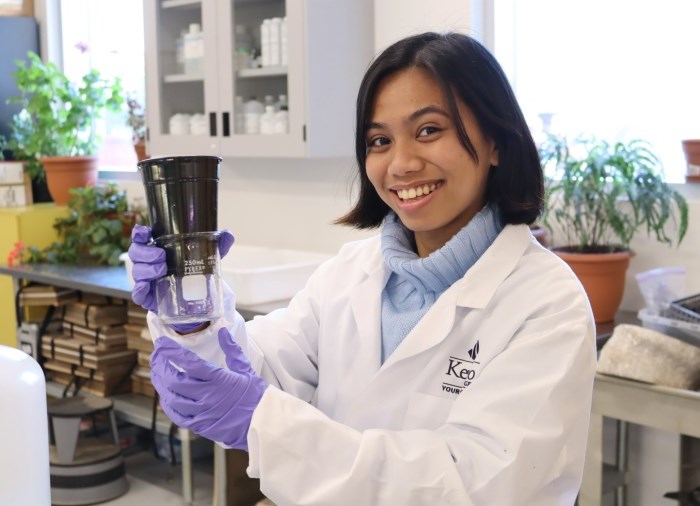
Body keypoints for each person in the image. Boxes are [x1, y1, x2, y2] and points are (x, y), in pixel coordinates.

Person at [129, 32, 596, 505]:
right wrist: (192, 311)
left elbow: (479, 487)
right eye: (379, 140)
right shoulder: (353, 272)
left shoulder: (546, 303)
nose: (402, 163)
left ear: (495, 142)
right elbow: (254, 372)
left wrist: (261, 421)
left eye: (429, 130)